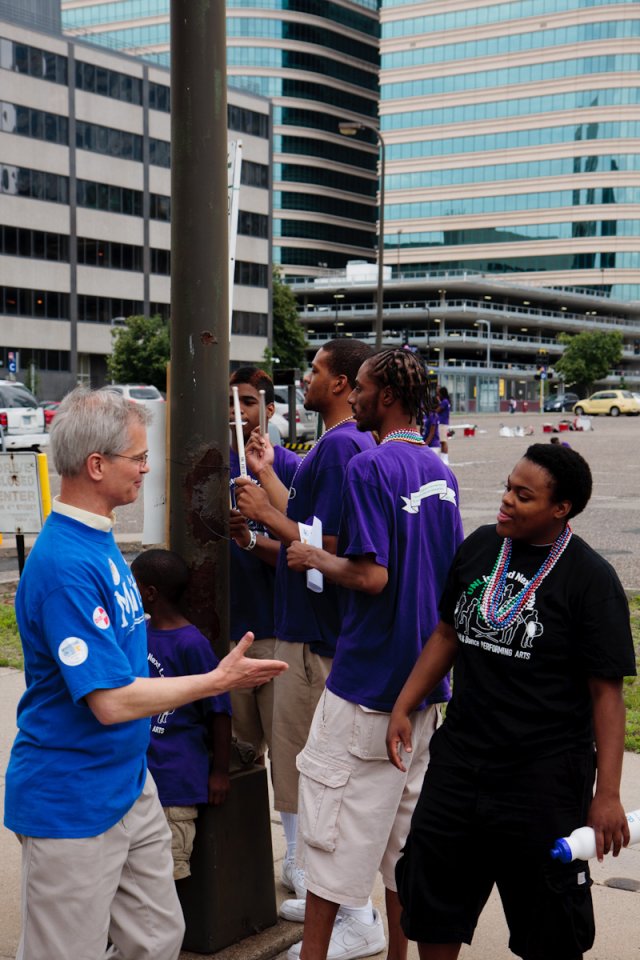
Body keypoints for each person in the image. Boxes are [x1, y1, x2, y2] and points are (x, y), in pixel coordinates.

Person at [3, 386, 287, 960]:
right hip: (72, 797)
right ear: (97, 465)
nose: (146, 467)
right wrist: (216, 681)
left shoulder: (100, 537)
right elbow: (108, 701)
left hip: (129, 782)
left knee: (158, 935)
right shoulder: (66, 565)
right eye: (137, 457)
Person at [387, 443, 636, 960]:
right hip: (460, 761)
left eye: (523, 496)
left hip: (542, 777)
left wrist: (606, 793)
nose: (505, 501)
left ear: (559, 508)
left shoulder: (591, 580)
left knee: (549, 919)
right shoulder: (480, 547)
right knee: (434, 897)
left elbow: (606, 695)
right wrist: (404, 705)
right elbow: (447, 634)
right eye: (506, 487)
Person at [283, 349, 464, 960]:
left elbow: (371, 577)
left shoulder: (370, 467)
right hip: (424, 688)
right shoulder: (441, 471)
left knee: (331, 842)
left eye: (359, 388)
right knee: (401, 846)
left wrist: (313, 558)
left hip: (367, 685)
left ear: (384, 396)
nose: (352, 397)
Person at [234, 339, 375, 902]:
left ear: (339, 383)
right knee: (304, 765)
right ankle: (315, 879)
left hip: (317, 634)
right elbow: (306, 517)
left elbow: (338, 542)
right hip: (307, 627)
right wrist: (269, 478)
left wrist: (266, 515)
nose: (308, 379)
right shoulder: (331, 444)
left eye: (316, 371)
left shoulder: (342, 448)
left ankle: (331, 891)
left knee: (313, 768)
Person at [132, 548, 232, 882]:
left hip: (177, 784)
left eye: (134, 585)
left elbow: (218, 710)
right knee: (138, 870)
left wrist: (219, 771)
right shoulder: (139, 635)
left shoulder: (191, 644)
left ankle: (170, 934)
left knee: (169, 872)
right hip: (140, 779)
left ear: (150, 593)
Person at [228, 367, 299, 763]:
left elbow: (302, 549)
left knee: (286, 761)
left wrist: (252, 538)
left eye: (248, 402)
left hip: (277, 631)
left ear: (270, 410)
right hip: (229, 632)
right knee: (240, 755)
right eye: (231, 400)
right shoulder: (210, 465)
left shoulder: (288, 468)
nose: (237, 410)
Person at [436, 386, 451, 465]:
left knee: (443, 441)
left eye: (439, 393)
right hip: (444, 423)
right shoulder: (446, 401)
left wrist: (438, 402)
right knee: (443, 441)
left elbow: (438, 410)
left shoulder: (444, 401)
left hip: (443, 423)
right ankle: (443, 458)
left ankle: (445, 458)